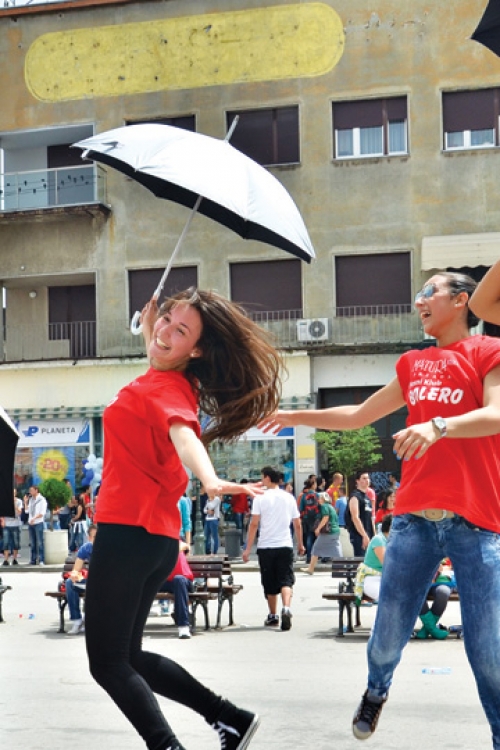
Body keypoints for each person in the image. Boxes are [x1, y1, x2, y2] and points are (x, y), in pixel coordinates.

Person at [260, 271, 500, 748]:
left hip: (476, 523)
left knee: (489, 651)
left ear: (461, 300)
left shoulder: (487, 352)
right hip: (413, 521)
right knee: (388, 633)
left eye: (429, 292)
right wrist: (292, 415)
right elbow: (357, 415)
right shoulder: (413, 363)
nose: (418, 301)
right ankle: (376, 690)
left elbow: (496, 413)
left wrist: (437, 425)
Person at [84, 288, 282, 750]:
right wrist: (153, 332)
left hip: (128, 534)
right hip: (153, 539)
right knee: (128, 656)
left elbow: (184, 435)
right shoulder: (170, 380)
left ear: (196, 350)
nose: (165, 332)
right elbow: (158, 371)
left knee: (107, 663)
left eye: (181, 331)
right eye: (166, 319)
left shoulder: (168, 390)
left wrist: (209, 478)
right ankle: (229, 718)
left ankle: (168, 746)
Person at [242, 465, 304, 631]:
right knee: (286, 579)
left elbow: (254, 524)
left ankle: (273, 615)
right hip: (285, 544)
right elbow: (297, 523)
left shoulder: (260, 498)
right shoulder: (289, 498)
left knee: (269, 581)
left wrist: (247, 548)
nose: (262, 480)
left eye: (263, 477)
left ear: (268, 478)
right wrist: (300, 543)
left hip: (266, 546)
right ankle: (287, 608)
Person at [157, 543, 194, 639]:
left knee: (178, 579)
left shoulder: (177, 542)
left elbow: (185, 546)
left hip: (183, 581)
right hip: (162, 581)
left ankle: (183, 626)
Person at [354, 514, 393, 603]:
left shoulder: (390, 541)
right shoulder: (379, 540)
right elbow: (386, 563)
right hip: (372, 579)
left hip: (385, 579)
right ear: (391, 527)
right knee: (388, 598)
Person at [66, 524, 97, 635]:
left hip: (106, 583)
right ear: (89, 538)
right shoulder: (86, 548)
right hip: (91, 582)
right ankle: (77, 620)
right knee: (70, 583)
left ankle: (89, 620)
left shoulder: (109, 548)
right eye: (95, 537)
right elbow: (76, 569)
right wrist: (74, 575)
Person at [301, 492, 342, 574]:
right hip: (335, 531)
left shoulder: (324, 506)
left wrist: (318, 528)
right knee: (336, 550)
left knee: (316, 548)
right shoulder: (330, 506)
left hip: (328, 532)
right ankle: (341, 567)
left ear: (323, 499)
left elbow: (325, 517)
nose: (318, 500)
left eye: (319, 498)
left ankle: (311, 569)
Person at [415, 558, 455, 640]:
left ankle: (426, 629)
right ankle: (432, 629)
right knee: (416, 592)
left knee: (443, 592)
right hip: (419, 581)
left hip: (443, 582)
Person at [347, 471, 375, 557]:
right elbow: (355, 517)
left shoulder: (367, 498)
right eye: (364, 478)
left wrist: (374, 535)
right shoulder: (355, 496)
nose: (367, 480)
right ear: (357, 481)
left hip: (369, 534)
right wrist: (364, 535)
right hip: (359, 535)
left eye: (368, 478)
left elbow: (370, 518)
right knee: (361, 560)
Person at [298, 476, 320, 563]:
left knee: (308, 537)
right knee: (316, 538)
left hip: (306, 519)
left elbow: (301, 508)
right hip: (316, 518)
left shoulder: (304, 496)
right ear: (313, 485)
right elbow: (320, 507)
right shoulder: (317, 495)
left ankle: (309, 557)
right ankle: (316, 556)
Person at [28, 485, 47, 566]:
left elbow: (42, 513)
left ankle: (41, 559)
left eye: (32, 490)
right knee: (32, 543)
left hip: (38, 523)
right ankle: (33, 559)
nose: (30, 492)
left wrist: (34, 518)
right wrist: (25, 502)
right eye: (30, 491)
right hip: (31, 523)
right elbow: (27, 511)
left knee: (40, 542)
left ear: (36, 490)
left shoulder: (42, 500)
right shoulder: (31, 500)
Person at [2, 489, 23, 566]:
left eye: (13, 493)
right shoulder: (5, 501)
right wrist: (2, 521)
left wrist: (14, 504)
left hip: (15, 525)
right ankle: (6, 560)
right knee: (6, 543)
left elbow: (19, 512)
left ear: (15, 493)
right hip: (7, 524)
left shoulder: (19, 501)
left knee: (15, 543)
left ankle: (14, 559)